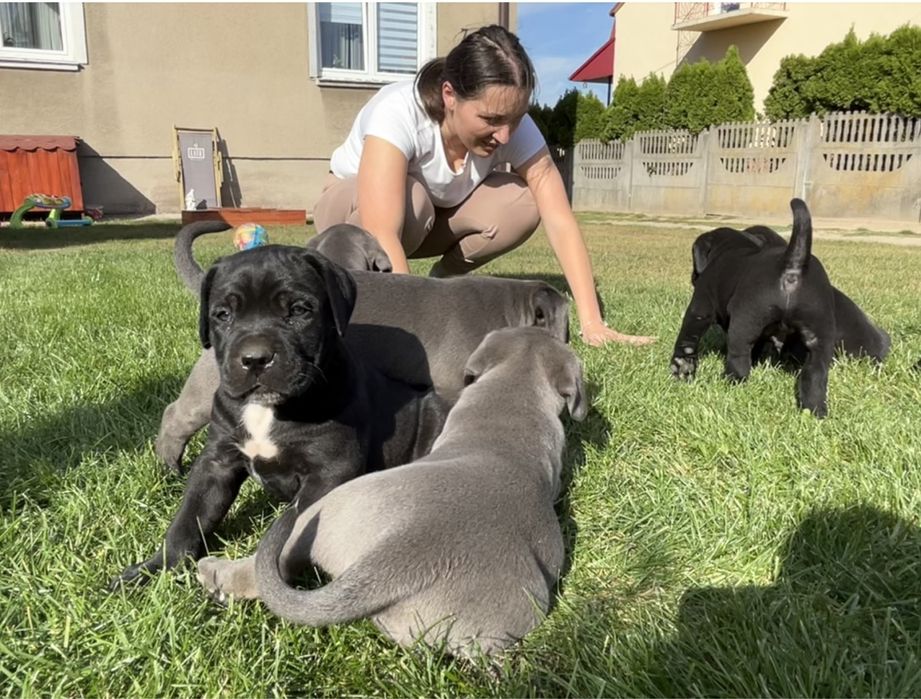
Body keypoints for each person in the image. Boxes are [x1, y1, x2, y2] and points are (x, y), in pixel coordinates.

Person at [312, 24, 655, 347]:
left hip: (427, 220)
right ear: (450, 95)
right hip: (352, 217)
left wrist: (592, 321)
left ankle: (443, 284)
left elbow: (560, 219)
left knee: (522, 202)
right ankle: (343, 291)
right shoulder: (399, 112)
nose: (504, 135)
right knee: (414, 199)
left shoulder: (510, 124)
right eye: (491, 120)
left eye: (515, 118)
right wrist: (417, 332)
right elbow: (382, 232)